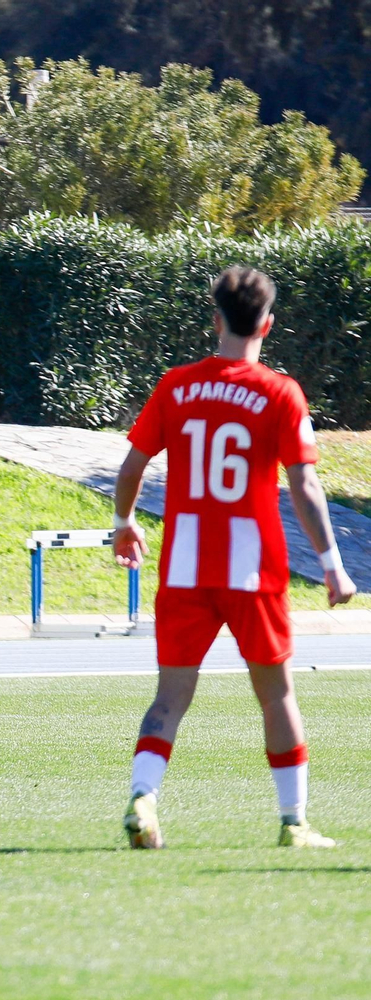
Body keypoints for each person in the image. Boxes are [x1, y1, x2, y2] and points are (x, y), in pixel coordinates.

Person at [113, 265, 355, 850]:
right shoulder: (279, 392)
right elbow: (304, 485)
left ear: (215, 319)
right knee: (276, 695)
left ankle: (144, 796)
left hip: (186, 561)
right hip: (253, 565)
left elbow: (132, 465)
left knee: (170, 696)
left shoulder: (176, 386)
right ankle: (293, 821)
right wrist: (331, 562)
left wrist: (123, 524)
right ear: (267, 325)